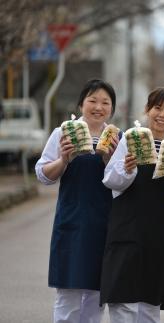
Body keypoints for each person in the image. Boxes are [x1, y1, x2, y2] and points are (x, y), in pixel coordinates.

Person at [100, 86, 164, 323]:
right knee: (123, 298)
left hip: (158, 232)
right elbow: (111, 180)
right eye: (157, 108)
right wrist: (128, 169)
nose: (162, 114)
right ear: (147, 110)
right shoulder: (131, 139)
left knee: (151, 301)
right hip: (126, 227)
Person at [35, 79, 118, 323]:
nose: (98, 107)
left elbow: (125, 183)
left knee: (96, 294)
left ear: (112, 109)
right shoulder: (64, 132)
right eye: (92, 100)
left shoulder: (118, 138)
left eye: (105, 102)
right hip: (71, 221)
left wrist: (108, 160)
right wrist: (63, 159)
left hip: (105, 224)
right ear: (81, 104)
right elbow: (43, 175)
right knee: (68, 293)